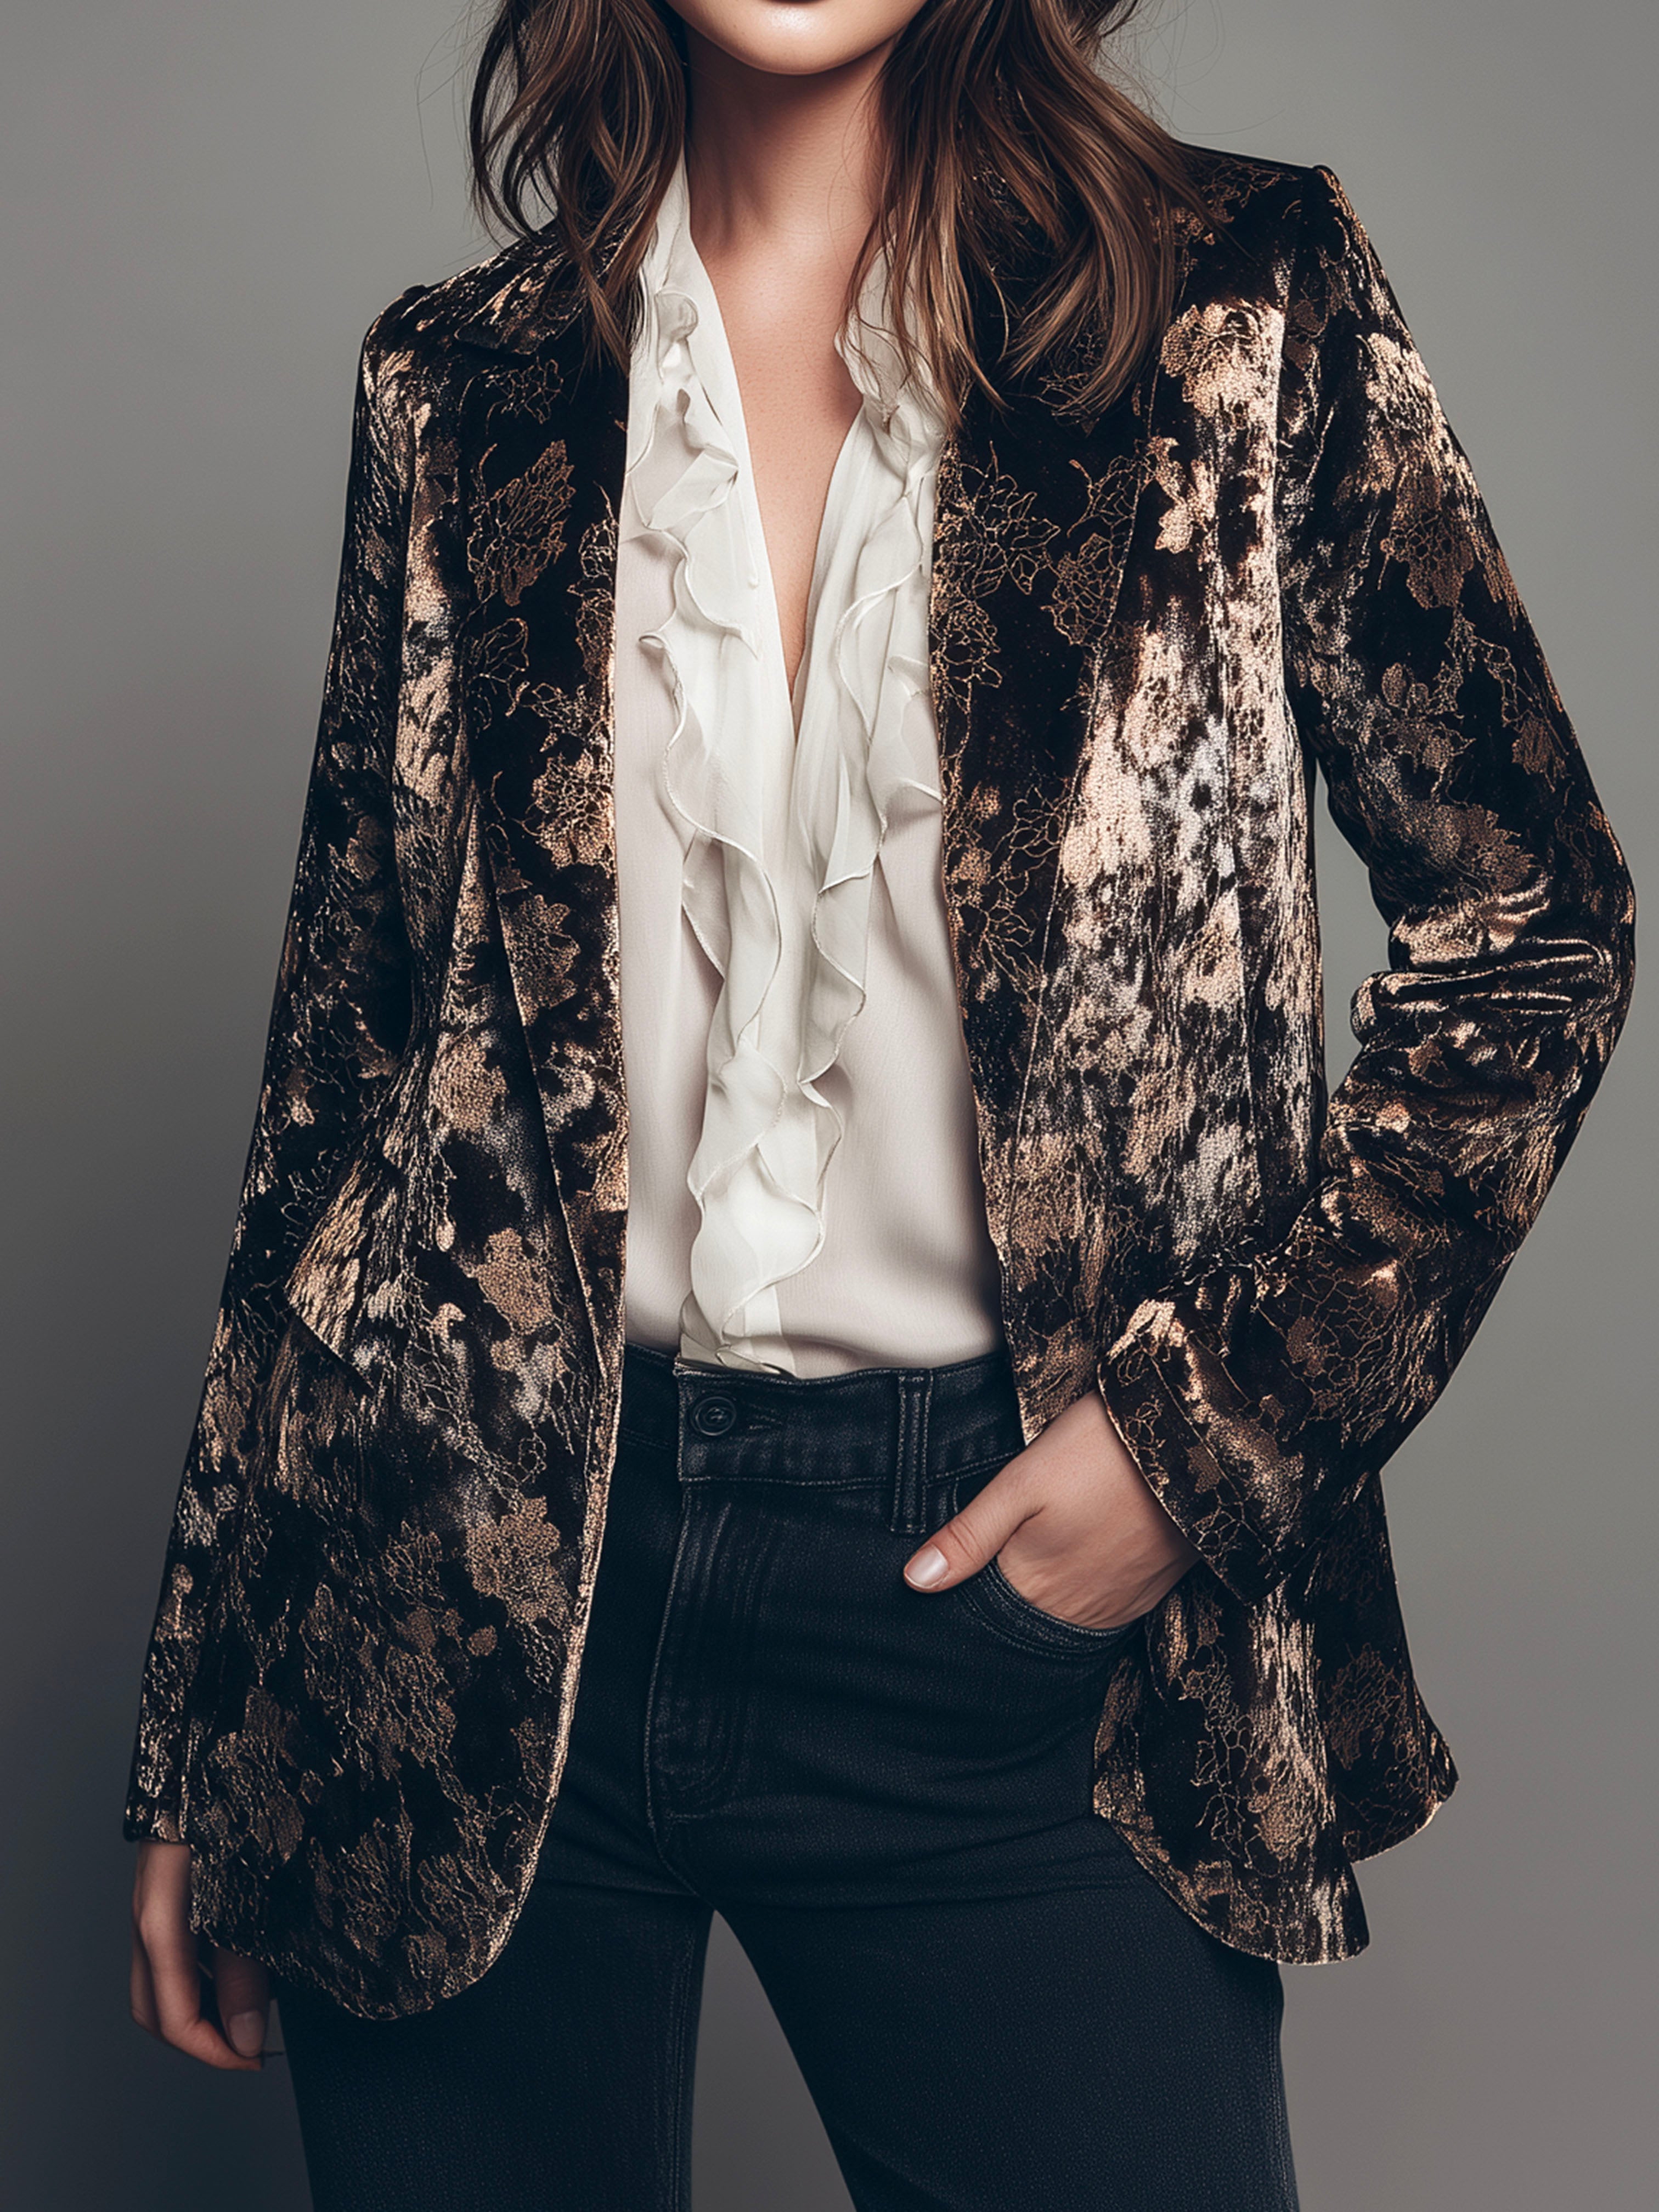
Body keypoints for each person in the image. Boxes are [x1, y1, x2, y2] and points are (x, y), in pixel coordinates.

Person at [123, 2, 1637, 2207]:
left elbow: (1535, 920)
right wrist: (210, 1719)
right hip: (468, 1597)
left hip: (1005, 1593)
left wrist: (1197, 1448)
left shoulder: (1235, 308)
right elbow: (341, 1081)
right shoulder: (459, 386)